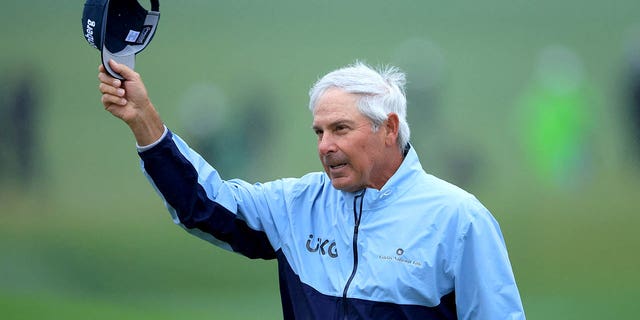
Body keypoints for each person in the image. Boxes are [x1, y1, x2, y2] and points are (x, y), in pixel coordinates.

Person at [98, 59, 525, 319]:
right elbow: (201, 204)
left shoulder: (459, 218)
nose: (325, 146)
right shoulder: (296, 204)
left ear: (389, 128)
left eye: (341, 129)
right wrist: (143, 119)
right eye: (319, 131)